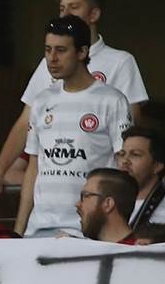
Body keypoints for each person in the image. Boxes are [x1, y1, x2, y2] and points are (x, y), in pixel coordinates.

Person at [0, 0, 148, 186]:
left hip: (99, 180)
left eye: (74, 8)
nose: (65, 14)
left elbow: (132, 125)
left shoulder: (120, 61)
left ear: (94, 14)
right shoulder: (48, 62)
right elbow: (25, 121)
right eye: (61, 9)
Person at [18, 17, 131, 238]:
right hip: (37, 230)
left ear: (82, 52)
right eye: (48, 49)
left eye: (61, 50)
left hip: (86, 233)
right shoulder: (41, 101)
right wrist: (19, 230)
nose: (52, 58)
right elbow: (33, 168)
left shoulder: (112, 100)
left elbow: (124, 167)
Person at [78, 167, 139, 243]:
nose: (77, 204)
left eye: (86, 196)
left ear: (108, 204)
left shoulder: (141, 249)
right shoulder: (83, 247)